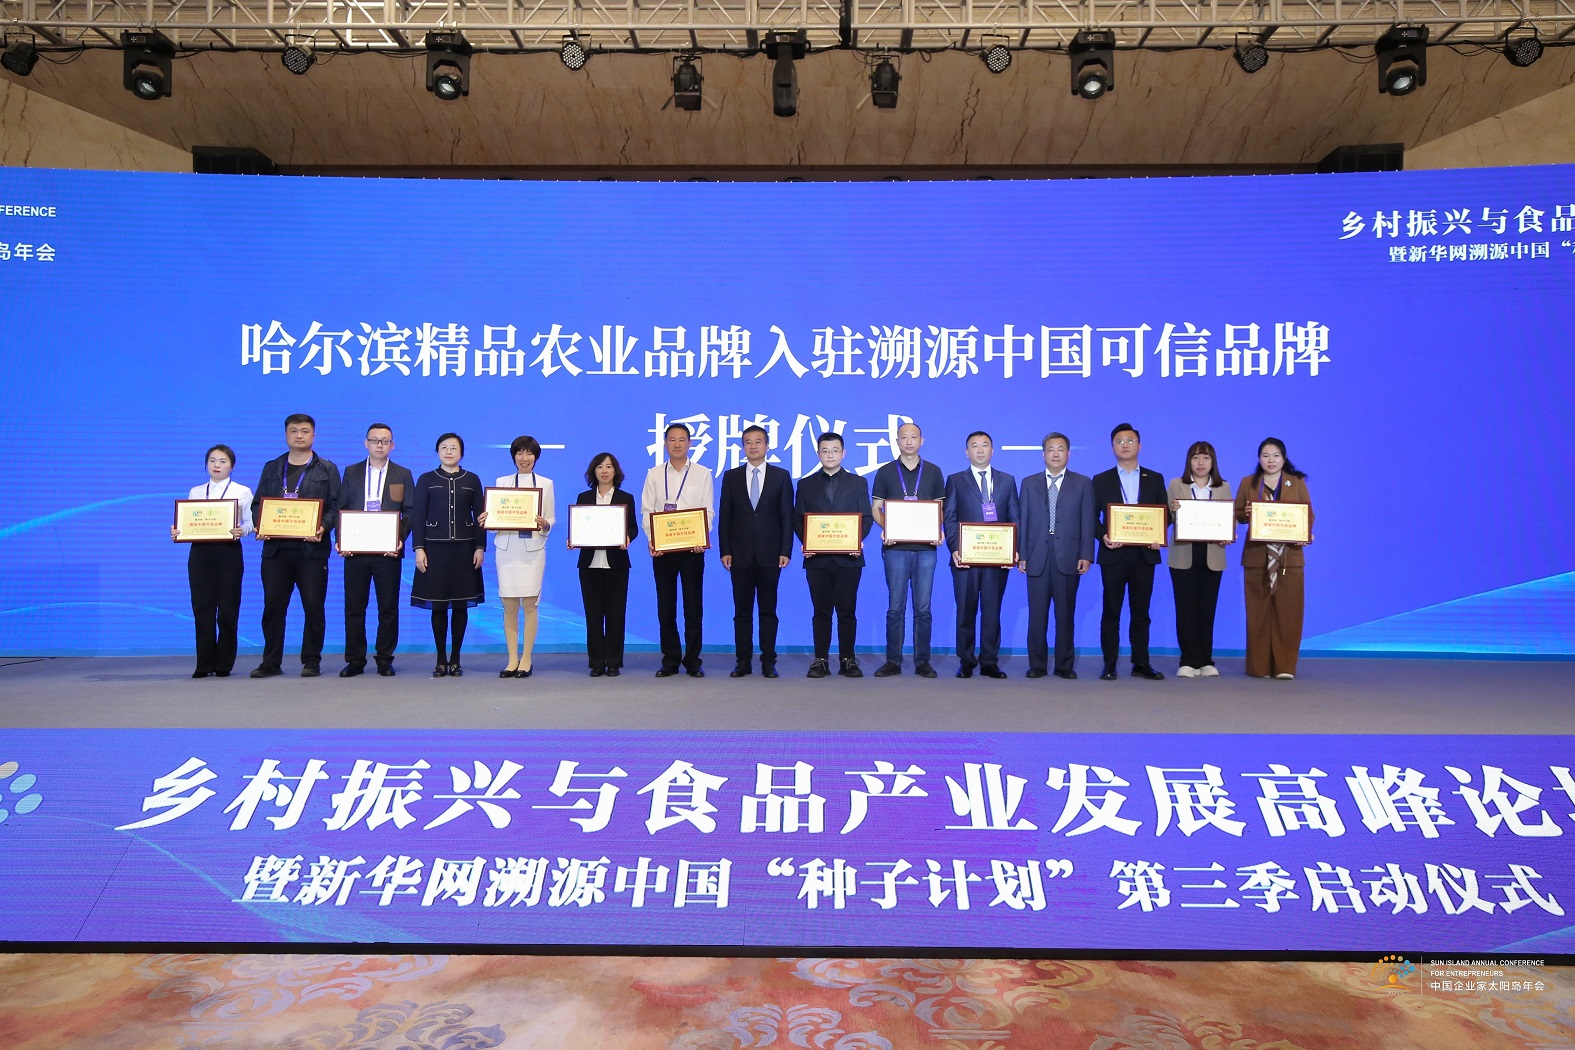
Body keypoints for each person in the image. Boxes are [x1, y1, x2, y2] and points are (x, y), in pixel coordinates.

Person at [250, 413, 340, 679]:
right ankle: (270, 662)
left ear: (314, 435)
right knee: (273, 608)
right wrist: (260, 525)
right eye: (294, 430)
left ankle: (311, 660)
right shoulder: (272, 468)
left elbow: (336, 505)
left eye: (305, 431)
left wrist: (323, 526)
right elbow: (258, 504)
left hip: (312, 551)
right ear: (286, 435)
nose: (299, 435)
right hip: (276, 550)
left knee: (313, 607)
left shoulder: (327, 469)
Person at [1091, 423, 1169, 681]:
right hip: (1113, 554)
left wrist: (1158, 536)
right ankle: (1109, 663)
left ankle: (1141, 663)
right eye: (1119, 441)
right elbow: (1091, 517)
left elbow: (1164, 515)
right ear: (1112, 447)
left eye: (1130, 440)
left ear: (1140, 446)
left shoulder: (1154, 478)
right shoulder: (1101, 480)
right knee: (1111, 612)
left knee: (1141, 612)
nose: (1125, 445)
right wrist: (1103, 535)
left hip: (1144, 555)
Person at [336, 423, 414, 678]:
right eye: (374, 440)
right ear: (366, 443)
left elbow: (410, 511)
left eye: (385, 441)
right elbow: (341, 508)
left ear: (392, 445)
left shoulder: (403, 473)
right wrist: (341, 540)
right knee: (354, 608)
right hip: (356, 551)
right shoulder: (351, 472)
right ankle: (355, 660)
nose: (379, 445)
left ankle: (384, 659)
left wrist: (399, 539)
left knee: (388, 608)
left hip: (387, 552)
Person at [1234, 437, 1314, 680]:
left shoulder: (1296, 482)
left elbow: (1308, 514)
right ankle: (1259, 668)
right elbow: (1237, 513)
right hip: (1257, 556)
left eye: (1276, 455)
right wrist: (1246, 513)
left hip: (1290, 557)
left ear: (1284, 458)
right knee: (1257, 614)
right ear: (1259, 459)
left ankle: (1285, 667)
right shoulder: (1248, 482)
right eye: (1266, 455)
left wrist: (1305, 534)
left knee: (1289, 613)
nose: (1271, 460)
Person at [794, 432, 873, 679]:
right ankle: (821, 660)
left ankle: (848, 660)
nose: (830, 455)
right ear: (818, 454)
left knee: (847, 611)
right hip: (817, 559)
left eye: (835, 450)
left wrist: (855, 540)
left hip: (849, 558)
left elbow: (866, 517)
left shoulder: (858, 482)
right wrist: (808, 541)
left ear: (843, 453)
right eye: (825, 451)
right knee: (821, 611)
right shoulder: (805, 484)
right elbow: (798, 519)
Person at [871, 422, 946, 679]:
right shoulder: (885, 472)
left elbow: (940, 509)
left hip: (926, 550)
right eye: (904, 437)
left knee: (923, 609)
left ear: (921, 440)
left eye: (914, 437)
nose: (909, 441)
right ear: (897, 441)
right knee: (895, 608)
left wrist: (936, 530)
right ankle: (893, 661)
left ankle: (923, 662)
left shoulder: (934, 471)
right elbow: (876, 508)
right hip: (895, 549)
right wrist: (888, 528)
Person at [717, 425, 793, 678]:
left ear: (767, 446)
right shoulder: (732, 477)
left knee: (768, 611)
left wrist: (785, 550)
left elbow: (787, 516)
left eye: (758, 441)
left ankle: (768, 661)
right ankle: (743, 661)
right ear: (742, 447)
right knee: (742, 612)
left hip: (771, 554)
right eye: (748, 442)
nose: (753, 446)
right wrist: (725, 550)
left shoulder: (781, 476)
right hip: (739, 555)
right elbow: (725, 517)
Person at [639, 422, 714, 678]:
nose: (677, 444)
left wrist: (702, 536)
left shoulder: (702, 474)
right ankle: (670, 660)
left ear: (690, 443)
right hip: (663, 550)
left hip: (693, 550)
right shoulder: (654, 474)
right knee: (666, 606)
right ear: (665, 444)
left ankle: (693, 660)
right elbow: (647, 510)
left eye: (682, 439)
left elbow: (708, 510)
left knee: (693, 607)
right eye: (672, 439)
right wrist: (653, 539)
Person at [1017, 432, 1095, 679]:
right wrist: (1022, 553)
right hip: (1036, 556)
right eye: (1051, 449)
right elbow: (1023, 520)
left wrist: (1086, 554)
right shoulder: (1028, 483)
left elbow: (1087, 521)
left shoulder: (1083, 483)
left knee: (1065, 615)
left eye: (1060, 449)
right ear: (1043, 454)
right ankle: (1037, 665)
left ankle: (1064, 666)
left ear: (1068, 453)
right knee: (1036, 616)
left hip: (1069, 556)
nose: (1055, 454)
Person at [943, 431, 1019, 679]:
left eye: (985, 445)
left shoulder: (1008, 480)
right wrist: (955, 549)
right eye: (974, 446)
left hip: (997, 558)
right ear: (967, 452)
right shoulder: (956, 480)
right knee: (965, 612)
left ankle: (989, 662)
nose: (980, 450)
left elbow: (1015, 517)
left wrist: (1012, 550)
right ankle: (966, 661)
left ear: (992, 450)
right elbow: (949, 518)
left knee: (992, 611)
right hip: (965, 559)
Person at [410, 433, 486, 678]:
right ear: (437, 452)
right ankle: (441, 659)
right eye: (444, 447)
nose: (449, 451)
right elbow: (418, 516)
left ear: (461, 452)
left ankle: (456, 659)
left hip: (465, 550)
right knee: (439, 606)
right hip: (434, 550)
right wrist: (419, 548)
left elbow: (481, 517)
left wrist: (480, 547)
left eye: (454, 448)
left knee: (461, 605)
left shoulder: (472, 479)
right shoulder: (426, 479)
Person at [174, 444, 253, 678]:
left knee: (228, 610)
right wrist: (178, 531)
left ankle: (224, 663)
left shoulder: (242, 491)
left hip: (229, 553)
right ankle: (204, 663)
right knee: (202, 609)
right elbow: (188, 522)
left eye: (222, 461)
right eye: (212, 460)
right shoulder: (196, 491)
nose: (217, 465)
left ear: (232, 466)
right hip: (200, 554)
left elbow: (251, 522)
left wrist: (242, 530)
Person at [489, 436, 556, 678]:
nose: (524, 458)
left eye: (529, 453)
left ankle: (526, 658)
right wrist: (488, 520)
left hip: (532, 550)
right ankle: (511, 659)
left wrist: (545, 524)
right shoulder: (502, 482)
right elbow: (495, 515)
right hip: (507, 549)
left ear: (536, 457)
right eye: (520, 453)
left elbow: (551, 517)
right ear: (513, 456)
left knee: (529, 604)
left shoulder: (546, 484)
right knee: (508, 605)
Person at [1167, 441, 1233, 678]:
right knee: (1185, 609)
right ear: (1189, 462)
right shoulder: (1176, 485)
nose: (1201, 463)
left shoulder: (1223, 487)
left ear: (1213, 462)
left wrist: (1228, 533)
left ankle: (1206, 660)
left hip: (1212, 554)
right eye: (1195, 458)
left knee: (1207, 610)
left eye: (1205, 458)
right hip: (1183, 554)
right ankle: (1188, 660)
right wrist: (1172, 509)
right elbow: (1166, 518)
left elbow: (1230, 519)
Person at [575, 452, 639, 677]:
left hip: (617, 564)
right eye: (600, 467)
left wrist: (627, 537)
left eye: (609, 467)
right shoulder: (584, 497)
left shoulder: (626, 498)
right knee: (593, 616)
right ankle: (596, 663)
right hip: (589, 564)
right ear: (593, 471)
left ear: (615, 471)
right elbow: (578, 526)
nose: (604, 471)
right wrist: (573, 538)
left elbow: (633, 527)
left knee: (615, 615)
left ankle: (613, 662)